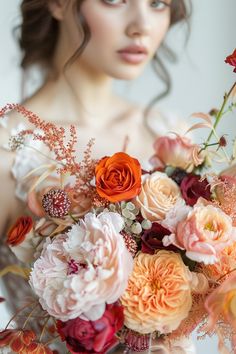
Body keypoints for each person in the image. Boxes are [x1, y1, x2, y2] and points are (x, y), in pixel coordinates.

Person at [0, 0, 191, 350]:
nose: (142, 25)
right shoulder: (7, 153)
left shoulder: (175, 140)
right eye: (115, 0)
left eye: (159, 3)